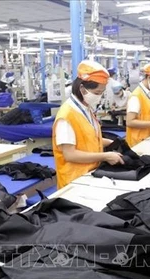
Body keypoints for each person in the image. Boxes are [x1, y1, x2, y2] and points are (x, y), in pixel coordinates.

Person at [52, 60, 124, 189]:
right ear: (82, 89)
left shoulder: (86, 109)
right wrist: (105, 156)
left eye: (101, 93)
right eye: (97, 93)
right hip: (74, 181)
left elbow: (87, 138)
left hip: (89, 174)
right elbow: (70, 154)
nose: (99, 97)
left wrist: (116, 143)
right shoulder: (66, 115)